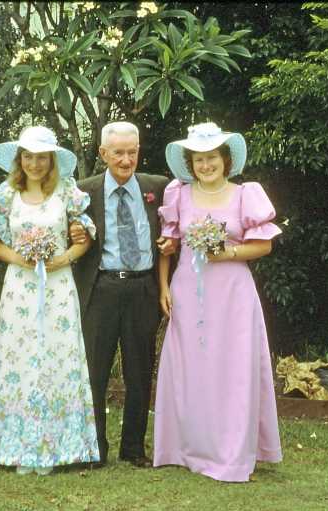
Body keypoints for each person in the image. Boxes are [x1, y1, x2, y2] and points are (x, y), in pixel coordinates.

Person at [153, 122, 283, 482]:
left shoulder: (245, 194)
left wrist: (225, 253)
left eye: (211, 157)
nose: (205, 164)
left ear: (225, 160)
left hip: (232, 293)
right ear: (190, 163)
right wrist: (163, 286)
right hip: (187, 290)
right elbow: (169, 244)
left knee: (232, 368)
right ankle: (184, 447)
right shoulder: (178, 195)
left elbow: (264, 245)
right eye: (198, 159)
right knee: (191, 367)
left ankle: (230, 453)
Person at [0, 126, 100, 475]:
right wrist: (19, 258)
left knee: (58, 357)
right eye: (28, 157)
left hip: (58, 285)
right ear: (19, 159)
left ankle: (59, 445)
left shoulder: (67, 192)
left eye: (41, 157)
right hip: (20, 287)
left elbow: (85, 236)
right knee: (19, 360)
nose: (34, 164)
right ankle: (18, 448)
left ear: (52, 160)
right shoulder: (6, 195)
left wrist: (64, 258)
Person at [71, 121, 174, 468]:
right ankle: (95, 449)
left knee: (140, 371)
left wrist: (171, 243)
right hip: (100, 287)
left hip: (143, 287)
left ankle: (133, 448)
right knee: (95, 371)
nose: (126, 160)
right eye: (118, 153)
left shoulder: (158, 187)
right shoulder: (83, 192)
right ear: (103, 153)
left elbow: (176, 226)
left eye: (132, 152)